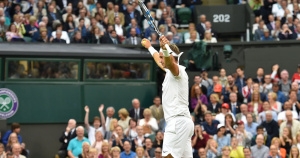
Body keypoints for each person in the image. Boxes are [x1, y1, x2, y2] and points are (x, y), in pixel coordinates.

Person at [141, 35, 194, 158]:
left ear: (171, 57)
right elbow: (160, 61)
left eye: (162, 57)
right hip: (183, 123)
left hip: (177, 123)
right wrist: (150, 47)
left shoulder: (178, 70)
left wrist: (164, 48)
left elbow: (169, 63)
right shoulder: (169, 70)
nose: (160, 60)